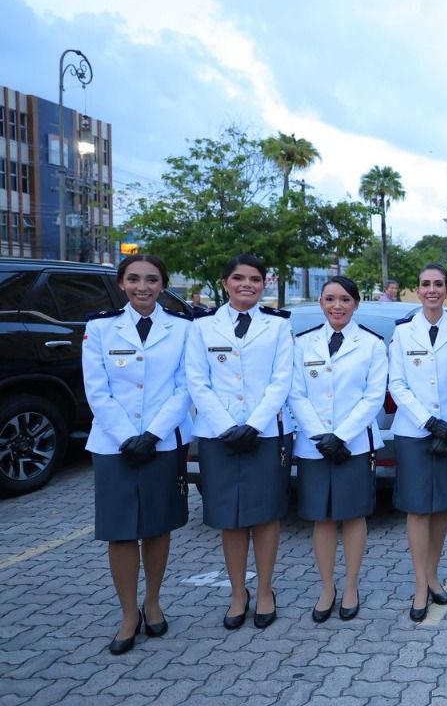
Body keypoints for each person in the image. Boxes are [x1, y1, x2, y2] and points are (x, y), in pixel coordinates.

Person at [83, 255, 192, 655]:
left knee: (157, 526)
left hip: (163, 442)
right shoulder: (99, 327)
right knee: (120, 530)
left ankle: (153, 601)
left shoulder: (182, 329)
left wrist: (153, 434)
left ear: (163, 284)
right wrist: (130, 436)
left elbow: (185, 387)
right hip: (114, 445)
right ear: (121, 284)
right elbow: (96, 390)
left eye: (151, 279)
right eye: (134, 279)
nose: (142, 287)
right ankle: (129, 613)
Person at [186, 254, 294, 630]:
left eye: (254, 279)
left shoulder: (279, 327)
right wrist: (227, 425)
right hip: (220, 436)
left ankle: (265, 590)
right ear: (225, 282)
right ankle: (237, 593)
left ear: (265, 284)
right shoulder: (201, 328)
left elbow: (283, 379)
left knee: (265, 517)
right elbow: (196, 381)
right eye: (238, 278)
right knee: (229, 518)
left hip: (264, 435)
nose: (247, 284)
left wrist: (253, 424)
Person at [289, 276, 388, 623]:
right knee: (322, 517)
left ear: (356, 304)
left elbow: (373, 396)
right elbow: (296, 393)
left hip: (355, 445)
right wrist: (321, 435)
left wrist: (342, 436)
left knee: (352, 515)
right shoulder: (302, 344)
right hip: (315, 445)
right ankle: (327, 587)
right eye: (330, 299)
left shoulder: (373, 344)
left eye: (345, 299)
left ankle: (350, 587)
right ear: (321, 302)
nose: (337, 306)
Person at [389, 264, 447, 622]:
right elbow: (397, 384)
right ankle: (420, 584)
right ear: (417, 290)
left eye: (439, 284)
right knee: (418, 508)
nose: (432, 290)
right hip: (414, 432)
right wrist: (429, 422)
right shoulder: (403, 334)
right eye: (425, 284)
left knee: (441, 507)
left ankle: (434, 574)